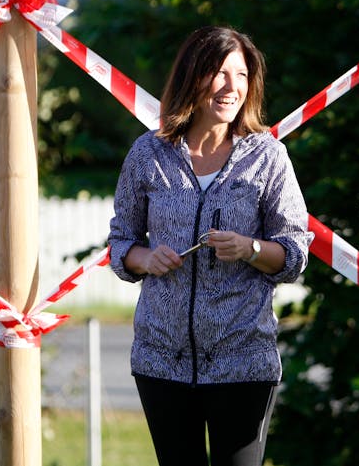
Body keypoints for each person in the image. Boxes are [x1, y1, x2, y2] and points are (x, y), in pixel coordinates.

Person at [108, 25, 312, 466]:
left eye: (241, 75)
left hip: (244, 363)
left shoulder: (268, 156)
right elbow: (121, 241)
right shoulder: (148, 154)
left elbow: (295, 254)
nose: (232, 87)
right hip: (160, 361)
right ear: (192, 77)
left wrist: (250, 249)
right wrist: (145, 258)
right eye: (219, 73)